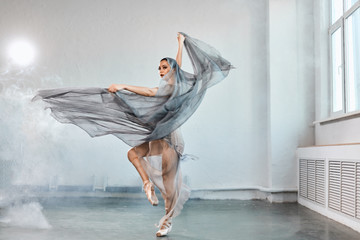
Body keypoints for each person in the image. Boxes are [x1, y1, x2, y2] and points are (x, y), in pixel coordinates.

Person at [33, 32, 232, 237]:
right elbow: (154, 86)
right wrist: (178, 46)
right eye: (159, 68)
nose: (160, 70)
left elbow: (164, 77)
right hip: (158, 137)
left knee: (169, 183)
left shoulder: (177, 89)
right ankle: (146, 183)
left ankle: (166, 222)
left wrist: (125, 84)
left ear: (172, 70)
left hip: (172, 141)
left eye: (164, 67)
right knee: (133, 154)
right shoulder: (163, 89)